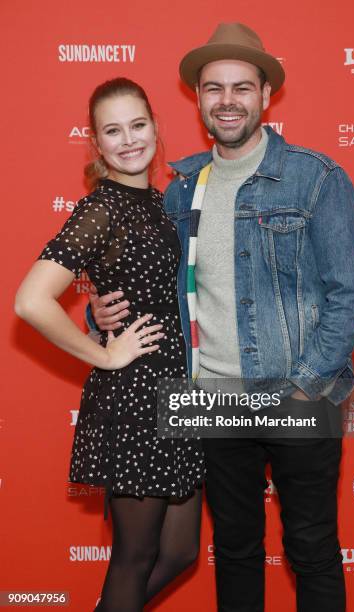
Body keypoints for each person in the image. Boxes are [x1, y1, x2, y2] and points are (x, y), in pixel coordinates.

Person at [90, 24, 354, 612]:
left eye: (242, 87)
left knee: (313, 550)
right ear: (197, 99)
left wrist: (305, 386)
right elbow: (156, 293)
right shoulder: (182, 189)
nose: (227, 100)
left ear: (265, 95)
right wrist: (100, 318)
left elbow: (351, 294)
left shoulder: (316, 177)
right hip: (213, 402)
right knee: (237, 552)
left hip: (299, 395)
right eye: (214, 87)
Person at [15, 77, 205, 612]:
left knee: (182, 551)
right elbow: (31, 301)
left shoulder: (161, 201)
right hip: (137, 396)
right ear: (96, 144)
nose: (128, 140)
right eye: (112, 131)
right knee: (135, 556)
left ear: (156, 127)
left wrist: (99, 319)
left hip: (180, 393)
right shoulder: (104, 208)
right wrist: (104, 352)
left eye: (138, 125)